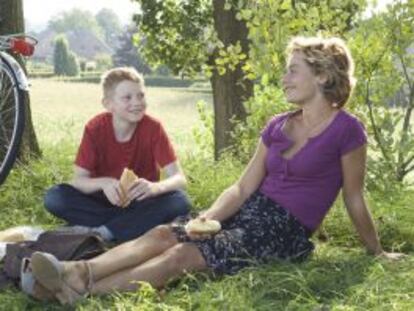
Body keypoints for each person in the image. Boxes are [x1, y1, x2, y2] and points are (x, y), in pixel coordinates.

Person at [26, 37, 404, 304]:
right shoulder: (277, 125)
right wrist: (205, 218)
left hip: (284, 230)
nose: (284, 78)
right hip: (249, 210)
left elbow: (354, 196)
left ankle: (82, 287)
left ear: (322, 76)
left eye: (293, 71)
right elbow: (241, 189)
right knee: (166, 233)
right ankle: (75, 270)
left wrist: (377, 251)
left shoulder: (347, 130)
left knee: (180, 258)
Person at [42, 67, 190, 242]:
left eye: (141, 95)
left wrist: (155, 187)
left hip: (140, 201)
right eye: (127, 98)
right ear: (108, 104)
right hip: (100, 201)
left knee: (180, 201)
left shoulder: (153, 128)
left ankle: (101, 232)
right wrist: (105, 183)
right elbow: (78, 181)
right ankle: (128, 227)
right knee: (54, 197)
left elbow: (180, 179)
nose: (137, 102)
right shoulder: (95, 128)